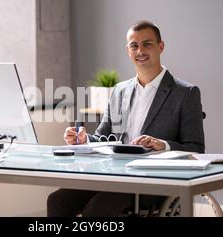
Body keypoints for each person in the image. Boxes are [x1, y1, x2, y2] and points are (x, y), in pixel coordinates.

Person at [47, 20, 205, 217]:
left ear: (160, 46)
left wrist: (162, 144)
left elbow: (196, 149)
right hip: (113, 176)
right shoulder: (120, 91)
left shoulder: (185, 93)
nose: (140, 51)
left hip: (155, 182)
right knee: (57, 201)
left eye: (147, 44)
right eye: (134, 45)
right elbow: (102, 137)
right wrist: (83, 139)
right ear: (128, 50)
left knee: (97, 209)